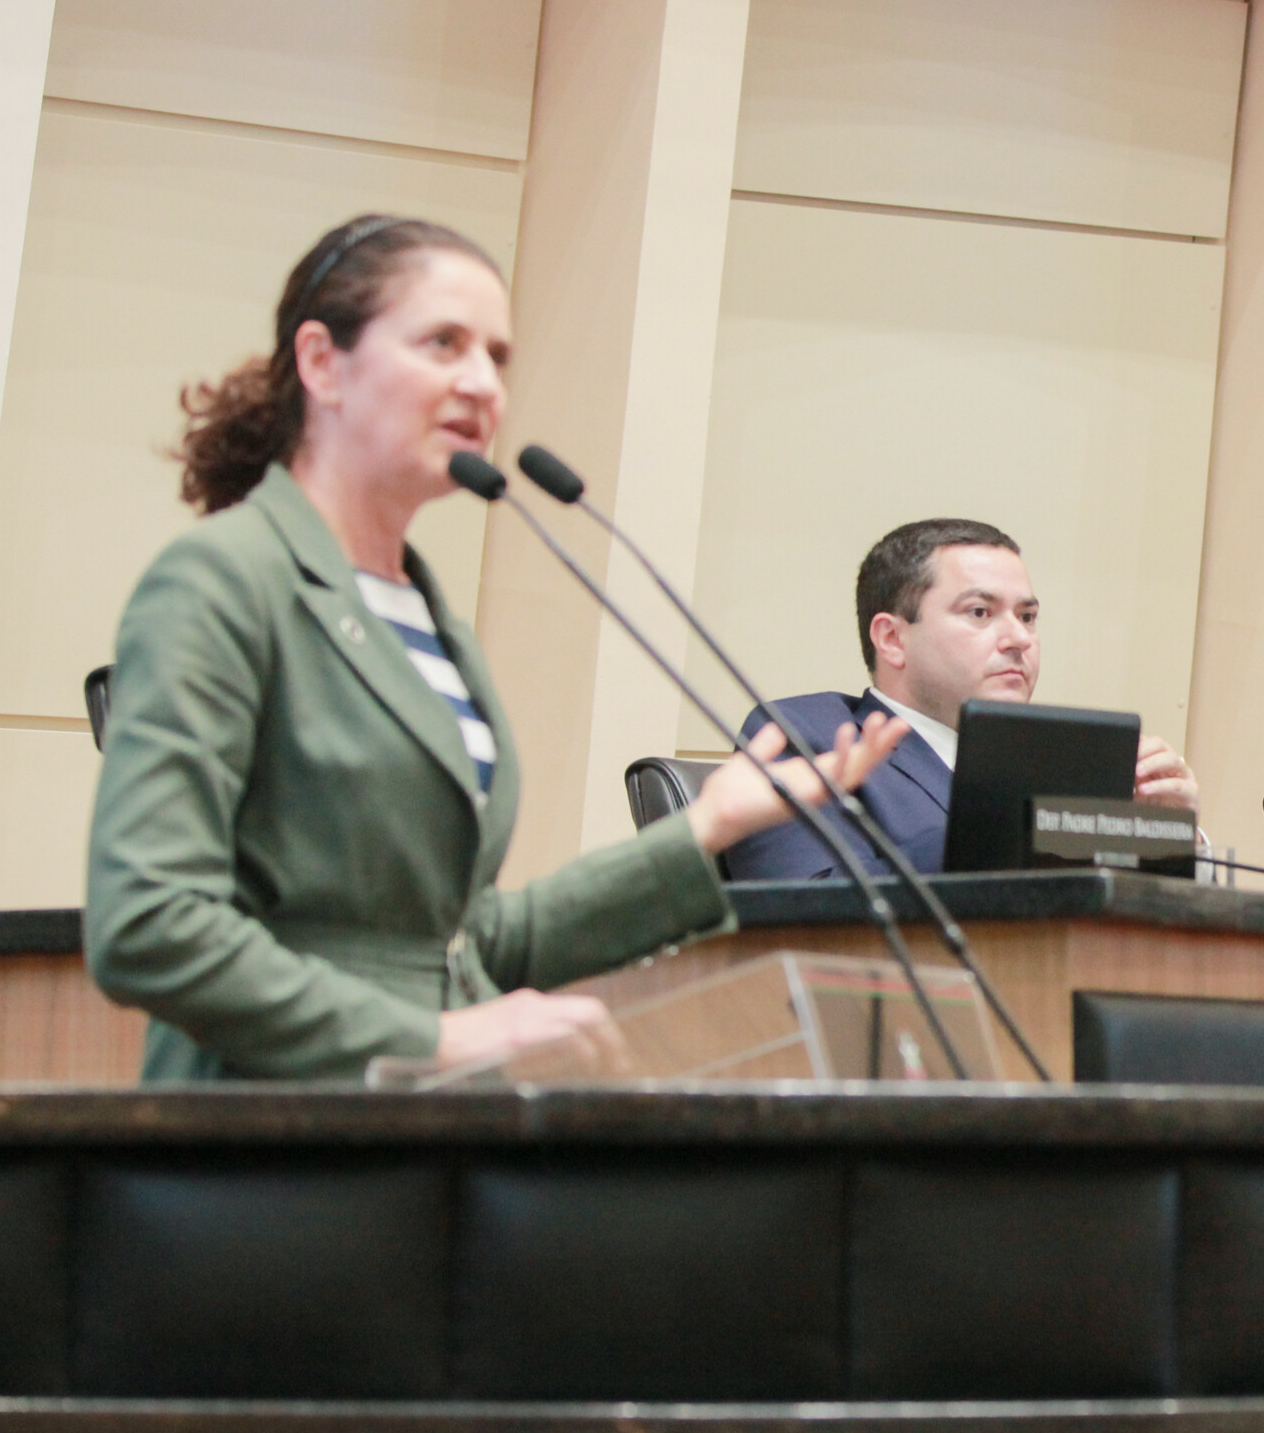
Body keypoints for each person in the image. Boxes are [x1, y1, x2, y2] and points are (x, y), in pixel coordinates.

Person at [86, 215, 906, 1081]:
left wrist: (708, 827)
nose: (481, 383)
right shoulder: (225, 580)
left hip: (429, 1131)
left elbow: (466, 946)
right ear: (322, 362)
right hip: (269, 1141)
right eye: (443, 343)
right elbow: (147, 924)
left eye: (498, 357)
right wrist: (434, 1038)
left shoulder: (427, 619)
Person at [722, 519, 1199, 881]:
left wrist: (1170, 839)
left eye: (1028, 616)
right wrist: (1031, 831)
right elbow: (805, 908)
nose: (1019, 638)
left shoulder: (1057, 764)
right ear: (891, 638)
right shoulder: (811, 736)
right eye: (980, 612)